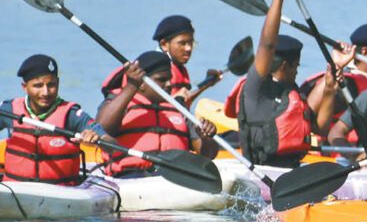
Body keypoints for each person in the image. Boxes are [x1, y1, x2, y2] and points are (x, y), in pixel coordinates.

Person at [223, 0, 353, 167]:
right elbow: (267, 44)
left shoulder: (293, 94)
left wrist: (330, 85)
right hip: (261, 170)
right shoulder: (256, 88)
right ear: (286, 66)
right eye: (297, 67)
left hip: (293, 170)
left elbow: (321, 128)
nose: (298, 72)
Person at [95, 51, 218, 177]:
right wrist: (131, 86)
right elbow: (100, 130)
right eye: (162, 80)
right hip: (131, 176)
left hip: (176, 178)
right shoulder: (119, 102)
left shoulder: (178, 109)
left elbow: (208, 155)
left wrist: (206, 138)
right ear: (142, 83)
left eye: (170, 79)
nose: (169, 84)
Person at [1, 55, 105, 185]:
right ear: (25, 87)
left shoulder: (72, 114)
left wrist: (96, 139)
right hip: (15, 189)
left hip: (59, 192)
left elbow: (109, 142)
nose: (45, 92)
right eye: (38, 86)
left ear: (58, 83)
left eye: (51, 85)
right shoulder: (8, 110)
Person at [299, 23, 367, 136]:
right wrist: (336, 66)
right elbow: (308, 115)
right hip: (338, 150)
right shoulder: (346, 82)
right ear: (364, 51)